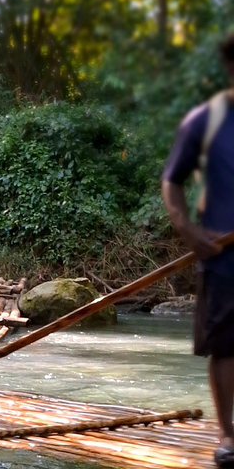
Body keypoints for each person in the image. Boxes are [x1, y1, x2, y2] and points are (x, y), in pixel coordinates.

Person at [162, 32, 234, 468]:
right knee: (226, 345)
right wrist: (187, 229)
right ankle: (229, 434)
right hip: (222, 254)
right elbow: (172, 179)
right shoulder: (205, 120)